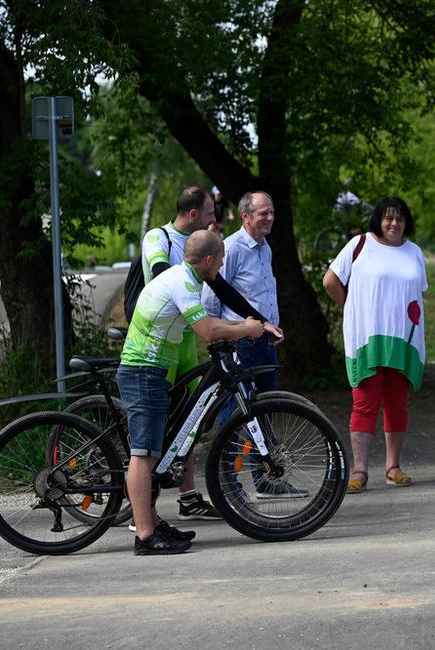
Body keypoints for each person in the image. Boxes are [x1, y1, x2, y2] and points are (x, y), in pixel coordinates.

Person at [118, 230, 277, 554]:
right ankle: (145, 537)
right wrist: (247, 329)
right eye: (220, 259)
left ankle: (154, 522)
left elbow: (206, 320)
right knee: (144, 455)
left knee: (155, 450)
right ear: (208, 260)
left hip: (154, 370)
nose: (221, 265)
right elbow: (206, 330)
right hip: (144, 371)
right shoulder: (182, 281)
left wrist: (241, 328)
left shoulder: (186, 277)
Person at [323, 196, 428, 493]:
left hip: (402, 339)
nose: (393, 223)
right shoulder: (360, 245)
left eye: (400, 218)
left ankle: (393, 467)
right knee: (364, 402)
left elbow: (418, 295)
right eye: (388, 218)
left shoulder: (415, 252)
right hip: (366, 337)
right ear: (379, 220)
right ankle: (359, 470)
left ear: (406, 222)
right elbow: (330, 280)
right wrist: (351, 308)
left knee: (397, 403)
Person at [202, 191, 302, 498]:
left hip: (264, 340)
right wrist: (223, 337)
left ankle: (266, 479)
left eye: (272, 212)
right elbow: (212, 296)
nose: (270, 218)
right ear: (245, 216)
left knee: (265, 410)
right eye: (264, 213)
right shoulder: (230, 249)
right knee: (234, 413)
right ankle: (228, 485)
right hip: (240, 343)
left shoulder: (264, 247)